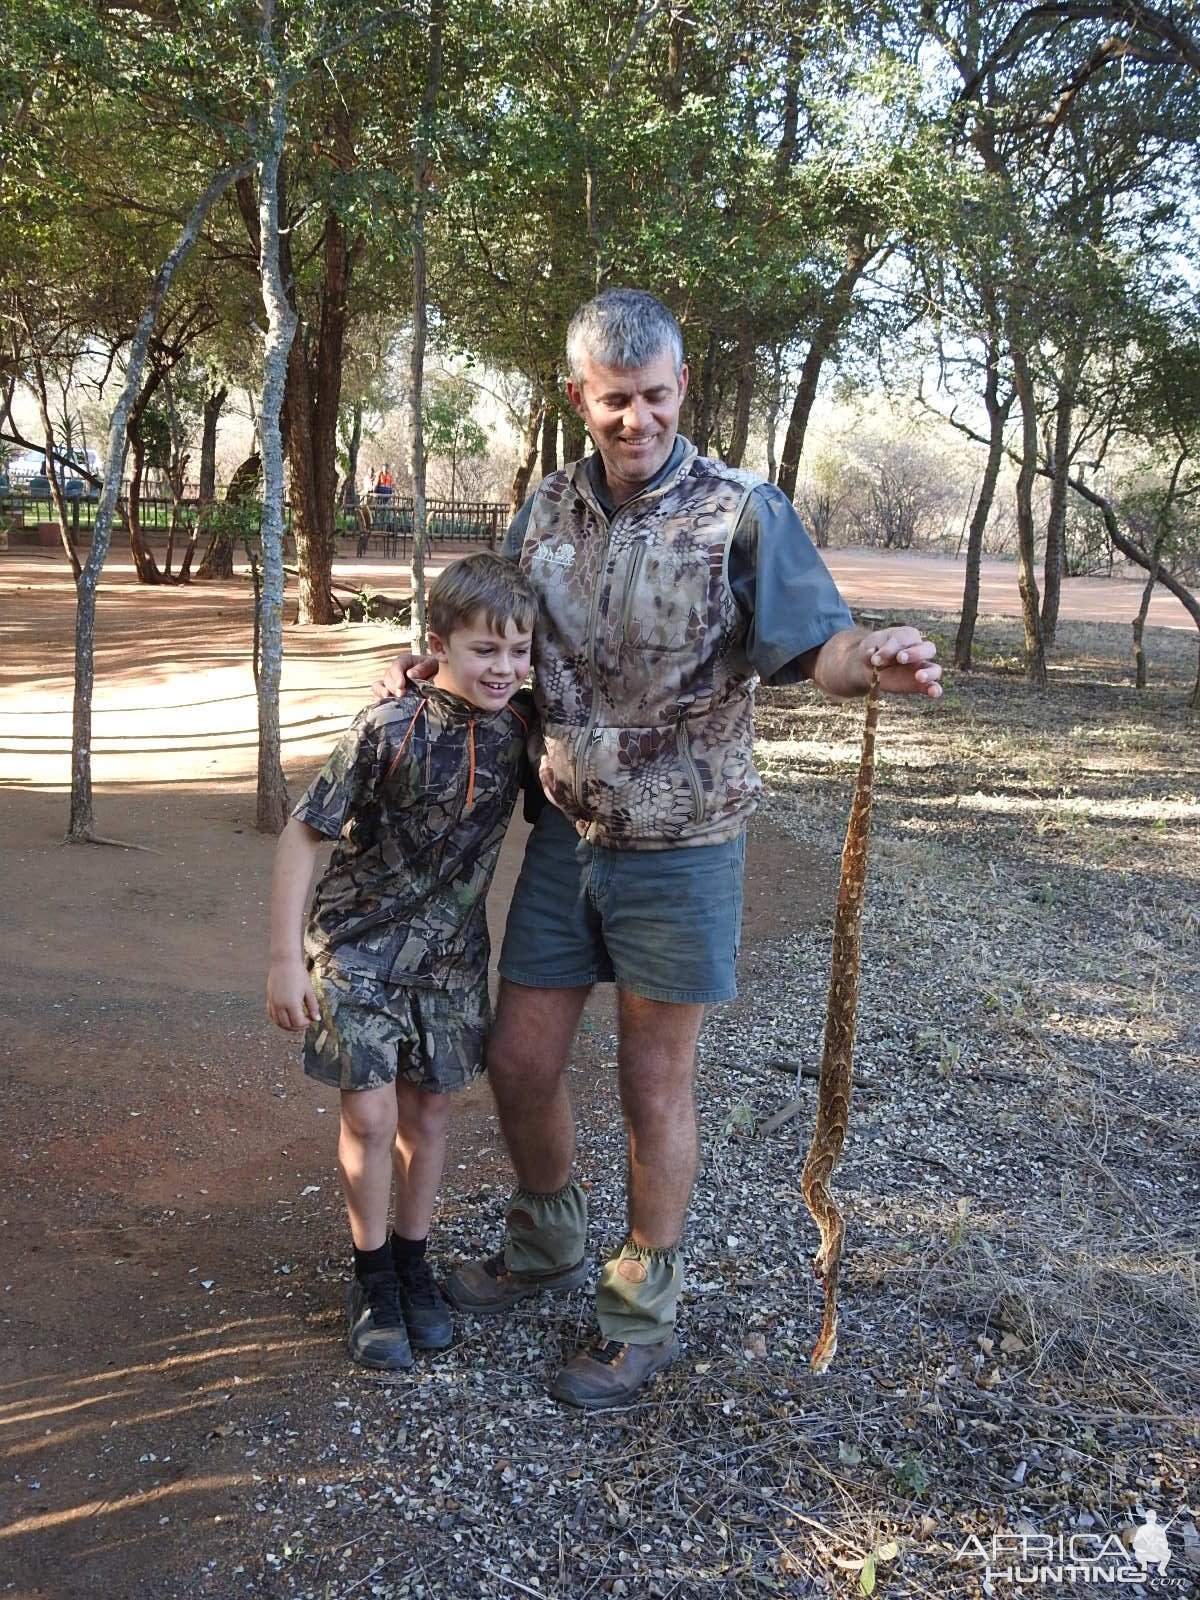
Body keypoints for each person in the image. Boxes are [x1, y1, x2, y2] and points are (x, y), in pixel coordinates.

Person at [380, 288, 943, 1408]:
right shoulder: (541, 513)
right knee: (523, 1056)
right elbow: (503, 649)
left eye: (652, 398)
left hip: (684, 845)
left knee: (653, 1081)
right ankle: (547, 1242)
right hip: (565, 831)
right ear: (579, 398)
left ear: (681, 389)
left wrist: (868, 657)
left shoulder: (742, 512)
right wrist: (434, 673)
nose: (633, 421)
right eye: (611, 403)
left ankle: (640, 1310)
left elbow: (812, 648)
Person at [268, 553, 537, 1370]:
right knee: (372, 1116)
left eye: (519, 650)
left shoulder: (522, 730)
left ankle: (415, 1268)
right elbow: (304, 833)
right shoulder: (384, 727)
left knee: (427, 1117)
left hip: (452, 964)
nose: (505, 668)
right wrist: (284, 958)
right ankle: (372, 1276)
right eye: (484, 649)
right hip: (357, 951)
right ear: (438, 644)